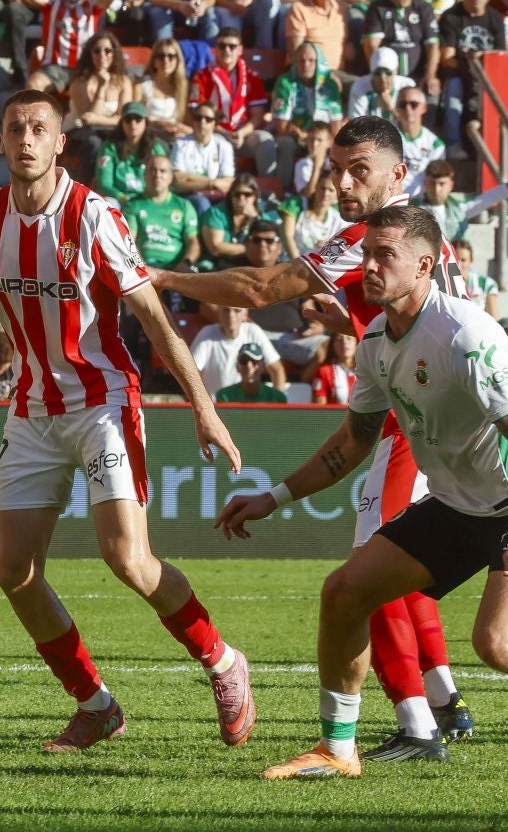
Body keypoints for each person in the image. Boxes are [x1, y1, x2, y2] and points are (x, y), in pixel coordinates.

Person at [223, 204, 508, 779]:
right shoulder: (377, 340)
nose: (368, 266)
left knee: (499, 645)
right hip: (459, 503)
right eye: (367, 253)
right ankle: (338, 749)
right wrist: (273, 497)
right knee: (345, 592)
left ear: (425, 265)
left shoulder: (466, 332)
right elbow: (352, 442)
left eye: (385, 255)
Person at [0, 90, 255, 752]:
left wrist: (204, 407)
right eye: (14, 127)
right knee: (13, 573)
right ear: (1, 140)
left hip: (102, 403)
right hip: (32, 411)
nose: (25, 138)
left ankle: (222, 660)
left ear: (59, 141)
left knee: (127, 559)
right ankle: (95, 704)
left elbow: (156, 323)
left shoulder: (93, 217)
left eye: (38, 128)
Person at [150, 116, 477, 754]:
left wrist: (159, 278)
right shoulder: (420, 234)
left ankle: (415, 725)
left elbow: (259, 287)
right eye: (337, 169)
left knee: (370, 571)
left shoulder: (368, 237)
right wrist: (348, 309)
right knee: (404, 561)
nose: (346, 182)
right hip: (434, 414)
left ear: (399, 175)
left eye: (361, 170)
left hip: (411, 422)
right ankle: (442, 700)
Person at [216, 342, 288, 404]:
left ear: (262, 367)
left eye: (254, 362)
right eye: (244, 361)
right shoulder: (224, 396)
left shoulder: (277, 398)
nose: (249, 366)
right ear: (237, 367)